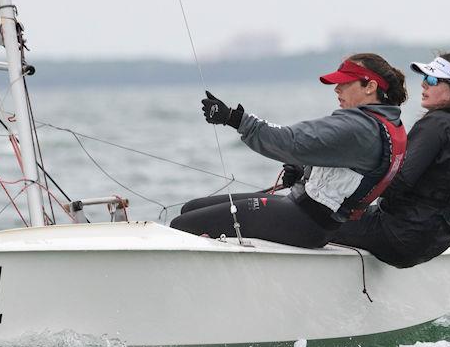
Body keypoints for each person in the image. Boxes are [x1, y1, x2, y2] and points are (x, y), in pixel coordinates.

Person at [170, 53, 407, 248]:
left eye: (345, 83)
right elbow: (349, 172)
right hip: (309, 216)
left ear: (371, 86)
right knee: (191, 208)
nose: (337, 89)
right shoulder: (385, 124)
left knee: (183, 226)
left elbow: (290, 141)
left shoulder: (360, 128)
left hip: (304, 222)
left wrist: (234, 118)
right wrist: (304, 171)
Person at [330, 52, 450, 268]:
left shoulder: (438, 124)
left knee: (316, 219)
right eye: (424, 78)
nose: (424, 85)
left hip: (401, 235)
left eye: (432, 80)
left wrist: (342, 179)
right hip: (436, 237)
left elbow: (397, 182)